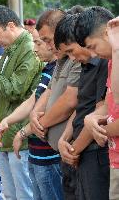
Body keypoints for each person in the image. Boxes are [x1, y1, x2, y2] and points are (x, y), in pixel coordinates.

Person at [0, 5, 43, 200]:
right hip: (5, 133)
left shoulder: (28, 49)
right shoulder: (11, 49)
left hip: (21, 135)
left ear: (10, 26)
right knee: (10, 195)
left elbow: (14, 91)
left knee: (25, 195)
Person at [0, 27, 63, 200]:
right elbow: (33, 101)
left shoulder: (60, 69)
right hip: (36, 153)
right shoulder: (48, 69)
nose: (35, 48)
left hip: (50, 155)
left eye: (40, 42)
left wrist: (24, 131)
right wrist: (8, 121)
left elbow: (50, 109)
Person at [54, 13, 109, 200]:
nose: (72, 58)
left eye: (71, 51)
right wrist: (64, 139)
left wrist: (73, 150)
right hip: (78, 154)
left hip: (95, 153)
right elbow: (81, 108)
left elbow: (101, 112)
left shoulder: (103, 63)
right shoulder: (86, 66)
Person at [28, 9, 81, 200]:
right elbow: (49, 90)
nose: (48, 46)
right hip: (58, 151)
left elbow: (70, 100)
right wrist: (34, 115)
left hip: (74, 151)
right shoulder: (61, 58)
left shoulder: (75, 56)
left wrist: (40, 124)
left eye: (48, 39)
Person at [74, 6, 119, 199]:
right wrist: (91, 119)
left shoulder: (115, 55)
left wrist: (99, 130)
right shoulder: (112, 61)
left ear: (106, 33)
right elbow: (111, 102)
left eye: (92, 46)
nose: (93, 55)